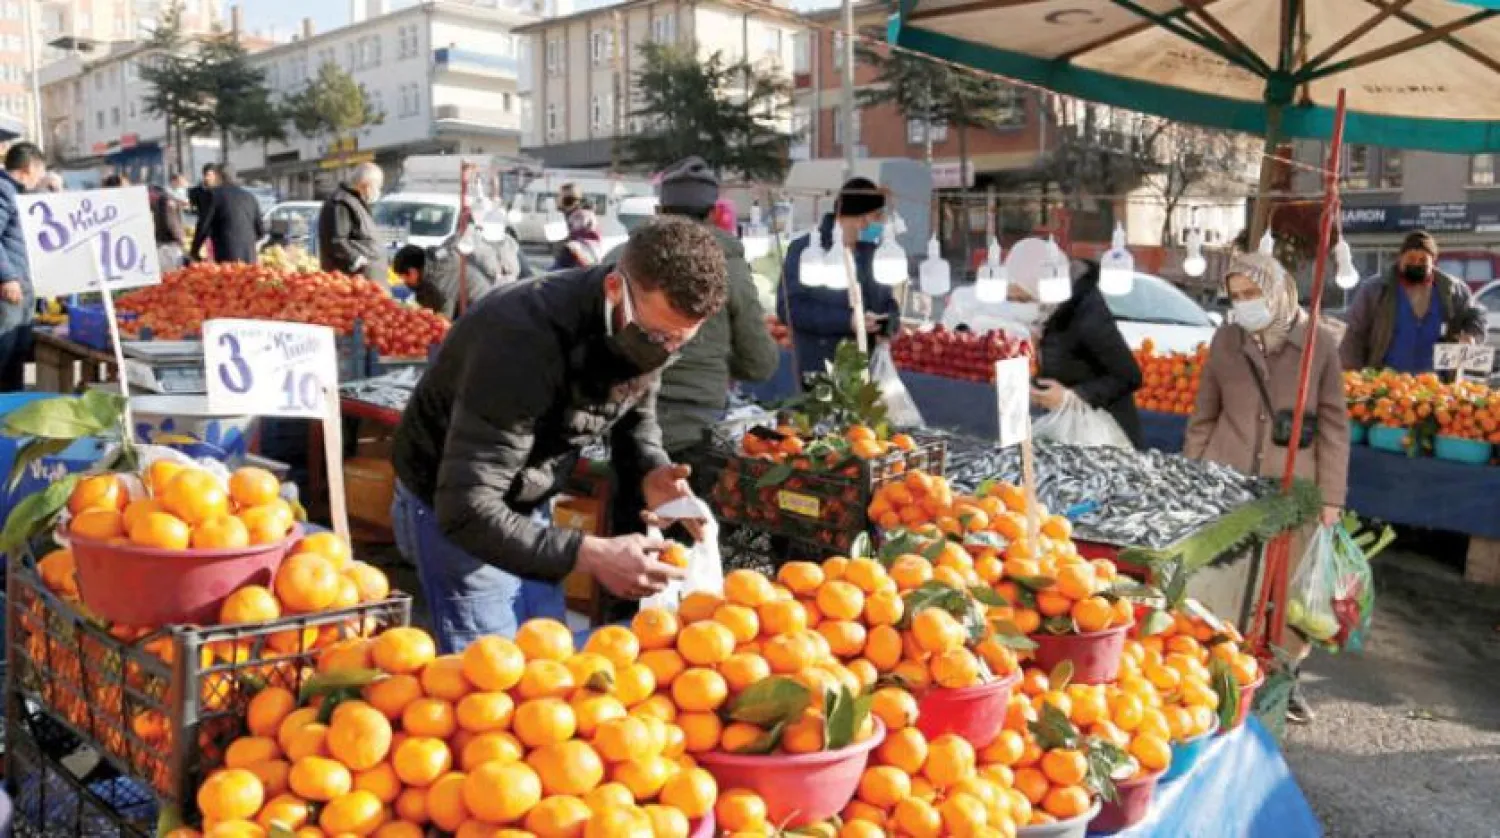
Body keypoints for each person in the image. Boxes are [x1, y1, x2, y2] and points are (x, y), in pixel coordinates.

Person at [390, 217, 728, 651]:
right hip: (452, 503)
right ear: (613, 289)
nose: (663, 351)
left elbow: (634, 418)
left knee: (548, 659)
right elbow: (466, 508)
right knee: (494, 680)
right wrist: (589, 554)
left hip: (527, 495)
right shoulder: (519, 340)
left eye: (679, 342)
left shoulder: (646, 330)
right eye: (657, 335)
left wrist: (652, 472)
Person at [1185, 251, 1350, 724]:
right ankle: (1221, 675)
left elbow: (1336, 427)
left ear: (1276, 290)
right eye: (1236, 296)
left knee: (1287, 593)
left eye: (1252, 293)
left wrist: (1332, 498)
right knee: (1227, 584)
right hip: (1227, 478)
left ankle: (1283, 679)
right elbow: (1204, 416)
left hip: (1294, 484)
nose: (1244, 304)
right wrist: (1191, 478)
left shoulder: (1319, 342)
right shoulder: (1225, 340)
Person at [601, 156, 780, 487]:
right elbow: (759, 363)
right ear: (713, 214)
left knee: (626, 533)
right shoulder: (730, 267)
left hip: (620, 428)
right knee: (687, 534)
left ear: (658, 210)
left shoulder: (617, 260)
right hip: (692, 433)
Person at [778, 177, 900, 380]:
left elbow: (887, 301)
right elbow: (789, 308)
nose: (881, 224)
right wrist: (847, 320)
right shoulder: (805, 251)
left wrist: (889, 323)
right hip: (820, 369)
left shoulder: (872, 252)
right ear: (860, 218)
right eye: (877, 216)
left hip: (865, 369)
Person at [1020, 259, 1145, 448]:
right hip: (1072, 432)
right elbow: (1072, 365)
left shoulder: (1087, 312)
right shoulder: (1051, 314)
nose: (1021, 303)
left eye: (1022, 297)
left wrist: (1074, 396)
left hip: (1105, 435)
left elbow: (1129, 376)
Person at [1340, 230, 1487, 372]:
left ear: (1433, 261)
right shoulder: (1375, 290)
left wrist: (1471, 333)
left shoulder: (1453, 290)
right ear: (1400, 258)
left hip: (1437, 386)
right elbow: (1354, 334)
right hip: (1386, 384)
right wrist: (1353, 374)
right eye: (1411, 258)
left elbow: (1476, 314)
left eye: (1423, 260)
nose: (1416, 263)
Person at [392, 224, 532, 320]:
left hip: (480, 313)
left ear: (412, 272)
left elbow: (443, 317)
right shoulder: (434, 265)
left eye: (404, 278)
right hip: (477, 307)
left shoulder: (439, 278)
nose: (405, 283)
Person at [0, 142, 45, 392]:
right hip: (9, 290)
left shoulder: (20, 194)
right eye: (39, 172)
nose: (40, 179)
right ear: (29, 168)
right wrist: (7, 277)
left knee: (17, 356)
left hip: (23, 289)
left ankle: (8, 415)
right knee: (4, 354)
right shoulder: (3, 190)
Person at [318, 161, 386, 281]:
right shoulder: (341, 203)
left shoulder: (355, 200)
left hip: (366, 280)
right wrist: (357, 259)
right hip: (352, 281)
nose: (379, 191)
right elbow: (337, 241)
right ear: (366, 184)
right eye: (378, 186)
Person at [189, 165, 263, 265]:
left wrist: (194, 251)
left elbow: (203, 225)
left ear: (218, 176)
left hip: (227, 253)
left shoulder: (213, 195)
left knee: (229, 279)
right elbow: (260, 230)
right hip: (249, 255)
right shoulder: (250, 197)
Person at [151, 173, 189, 269]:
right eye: (182, 183)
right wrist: (180, 237)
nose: (185, 186)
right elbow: (171, 221)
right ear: (174, 182)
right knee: (173, 274)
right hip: (170, 243)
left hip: (162, 241)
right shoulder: (168, 199)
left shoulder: (163, 197)